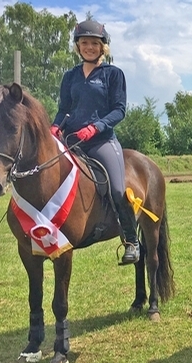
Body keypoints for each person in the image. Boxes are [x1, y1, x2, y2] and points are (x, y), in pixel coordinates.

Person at [51, 19, 139, 265]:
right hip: (72, 140)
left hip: (101, 142)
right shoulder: (70, 77)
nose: (89, 47)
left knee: (118, 189)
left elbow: (119, 110)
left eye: (94, 43)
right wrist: (56, 126)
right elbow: (64, 109)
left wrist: (96, 127)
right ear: (78, 46)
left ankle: (131, 241)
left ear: (103, 47)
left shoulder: (113, 74)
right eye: (84, 42)